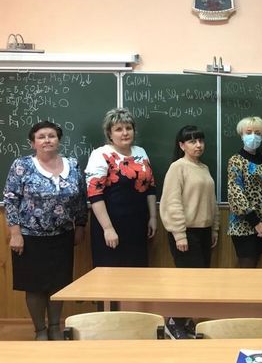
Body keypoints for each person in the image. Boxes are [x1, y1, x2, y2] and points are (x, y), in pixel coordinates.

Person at [3, 121, 87, 340]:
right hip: (30, 237)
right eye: (41, 137)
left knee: (59, 284)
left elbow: (81, 199)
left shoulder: (72, 164)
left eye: (52, 136)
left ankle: (55, 328)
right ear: (33, 143)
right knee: (34, 286)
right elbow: (11, 200)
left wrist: (80, 226)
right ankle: (40, 330)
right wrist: (15, 233)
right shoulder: (22, 165)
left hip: (63, 236)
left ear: (58, 140)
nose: (47, 140)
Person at [159, 125, 219, 339]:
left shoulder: (203, 168)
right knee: (187, 281)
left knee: (199, 282)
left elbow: (211, 202)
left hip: (203, 232)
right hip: (186, 232)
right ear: (182, 145)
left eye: (200, 141)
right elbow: (172, 202)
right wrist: (180, 234)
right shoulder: (178, 167)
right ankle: (174, 321)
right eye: (192, 141)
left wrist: (214, 228)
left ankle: (186, 321)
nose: (198, 145)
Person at [85, 108, 157, 270]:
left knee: (137, 274)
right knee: (111, 274)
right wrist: (108, 229)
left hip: (138, 224)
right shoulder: (101, 154)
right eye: (118, 129)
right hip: (111, 225)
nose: (125, 133)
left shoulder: (140, 152)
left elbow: (150, 186)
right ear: (109, 134)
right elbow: (95, 194)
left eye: (128, 128)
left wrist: (153, 217)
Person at [227, 116, 262, 268]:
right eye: (248, 132)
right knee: (247, 266)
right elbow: (236, 194)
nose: (253, 136)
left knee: (256, 266)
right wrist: (256, 223)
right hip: (243, 224)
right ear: (241, 134)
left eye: (257, 133)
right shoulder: (236, 161)